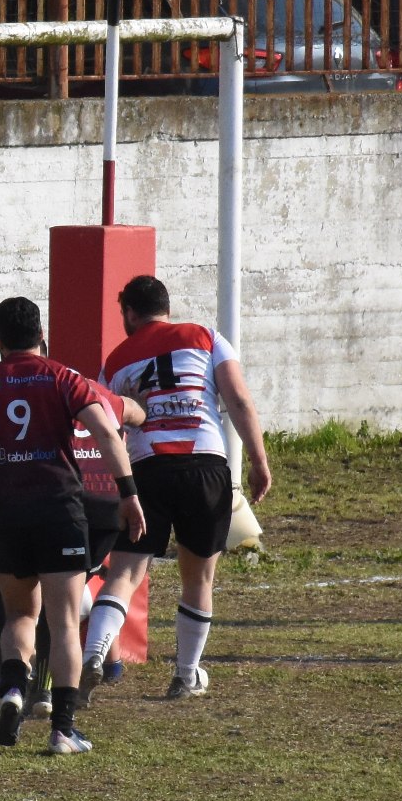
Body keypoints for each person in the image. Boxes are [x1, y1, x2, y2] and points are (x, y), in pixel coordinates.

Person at [0, 296, 145, 756]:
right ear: (41, 334)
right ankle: (63, 729)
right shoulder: (63, 377)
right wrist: (129, 494)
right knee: (63, 623)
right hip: (59, 511)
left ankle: (12, 689)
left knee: (19, 615)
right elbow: (106, 432)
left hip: (7, 515)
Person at [90, 275, 276, 698]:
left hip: (147, 468)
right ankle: (186, 675)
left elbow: (108, 428)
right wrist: (259, 460)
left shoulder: (115, 362)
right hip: (204, 464)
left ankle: (93, 655)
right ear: (166, 308)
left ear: (129, 312)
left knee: (124, 573)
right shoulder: (206, 337)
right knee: (198, 579)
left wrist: (120, 486)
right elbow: (238, 400)